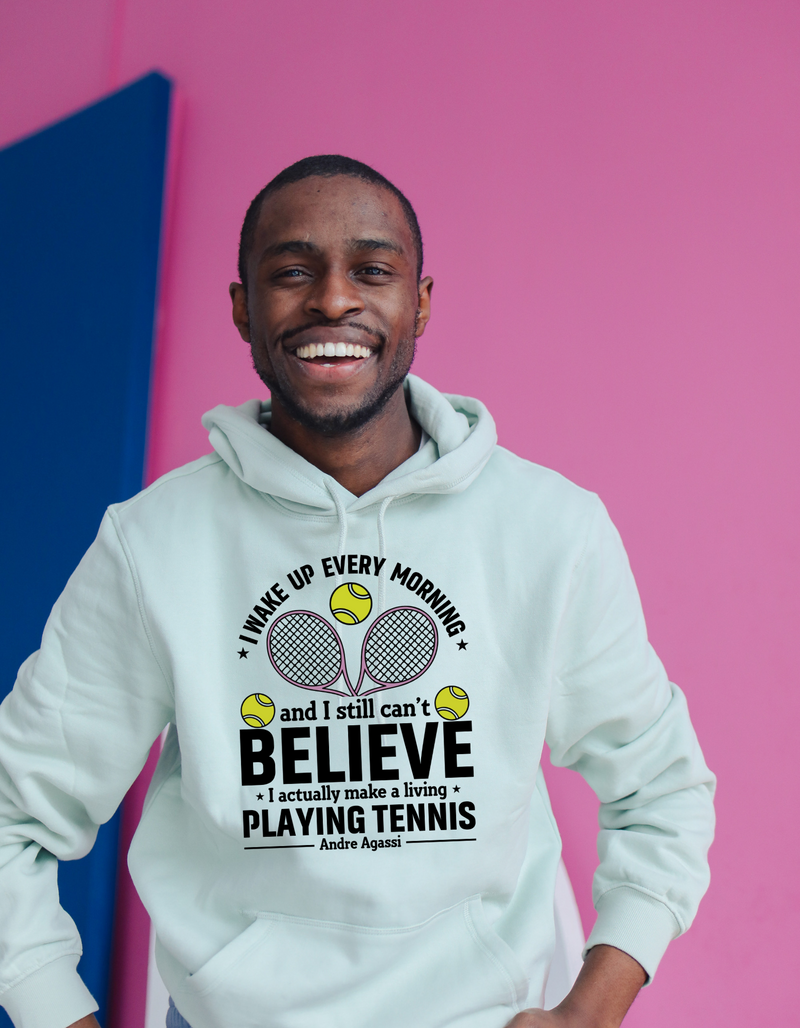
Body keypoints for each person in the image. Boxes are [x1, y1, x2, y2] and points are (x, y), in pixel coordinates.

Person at [0, 155, 715, 1028]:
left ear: (418, 302)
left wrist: (589, 1012)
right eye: (292, 272)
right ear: (241, 308)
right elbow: (11, 814)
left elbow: (663, 792)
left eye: (372, 270)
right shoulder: (153, 545)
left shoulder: (549, 528)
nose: (333, 300)